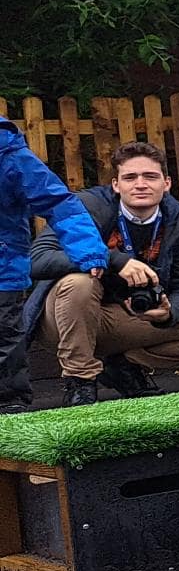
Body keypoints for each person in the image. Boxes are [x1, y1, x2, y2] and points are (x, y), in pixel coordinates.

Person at [29, 142, 179, 405]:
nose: (140, 184)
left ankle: (121, 363)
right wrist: (113, 260)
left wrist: (170, 312)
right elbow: (38, 259)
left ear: (166, 183)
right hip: (66, 318)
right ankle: (81, 381)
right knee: (80, 282)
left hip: (130, 317)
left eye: (150, 176)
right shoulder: (87, 207)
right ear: (116, 185)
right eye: (130, 177)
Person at [0, 117, 109, 411]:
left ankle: (10, 408)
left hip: (3, 270)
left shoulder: (9, 155)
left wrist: (87, 250)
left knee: (4, 341)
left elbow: (59, 203)